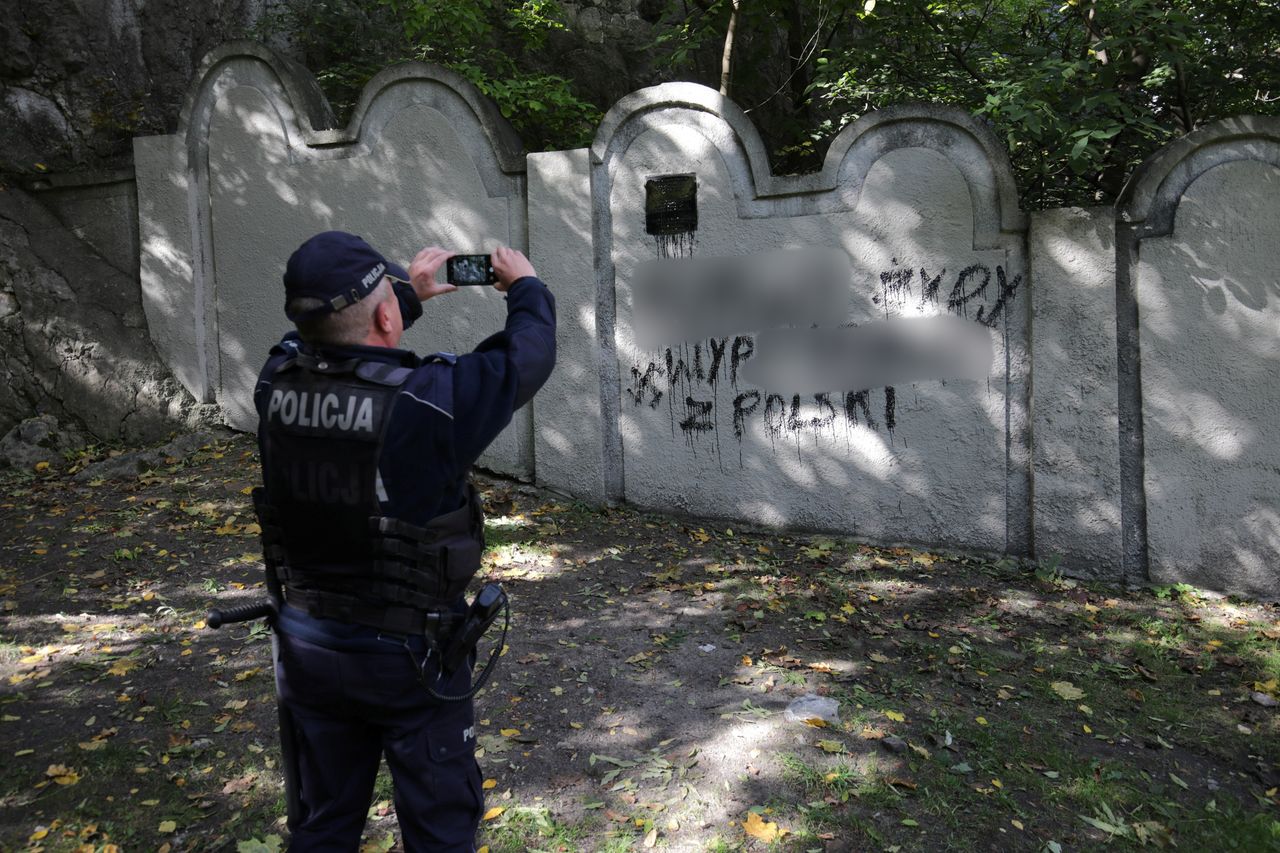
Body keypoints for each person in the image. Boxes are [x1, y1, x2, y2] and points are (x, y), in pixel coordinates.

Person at [251, 230, 556, 851]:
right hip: (409, 659)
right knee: (439, 829)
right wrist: (525, 287)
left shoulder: (274, 384)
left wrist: (405, 298)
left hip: (307, 644)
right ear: (386, 314)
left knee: (322, 824)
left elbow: (321, 341)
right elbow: (526, 357)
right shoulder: (426, 402)